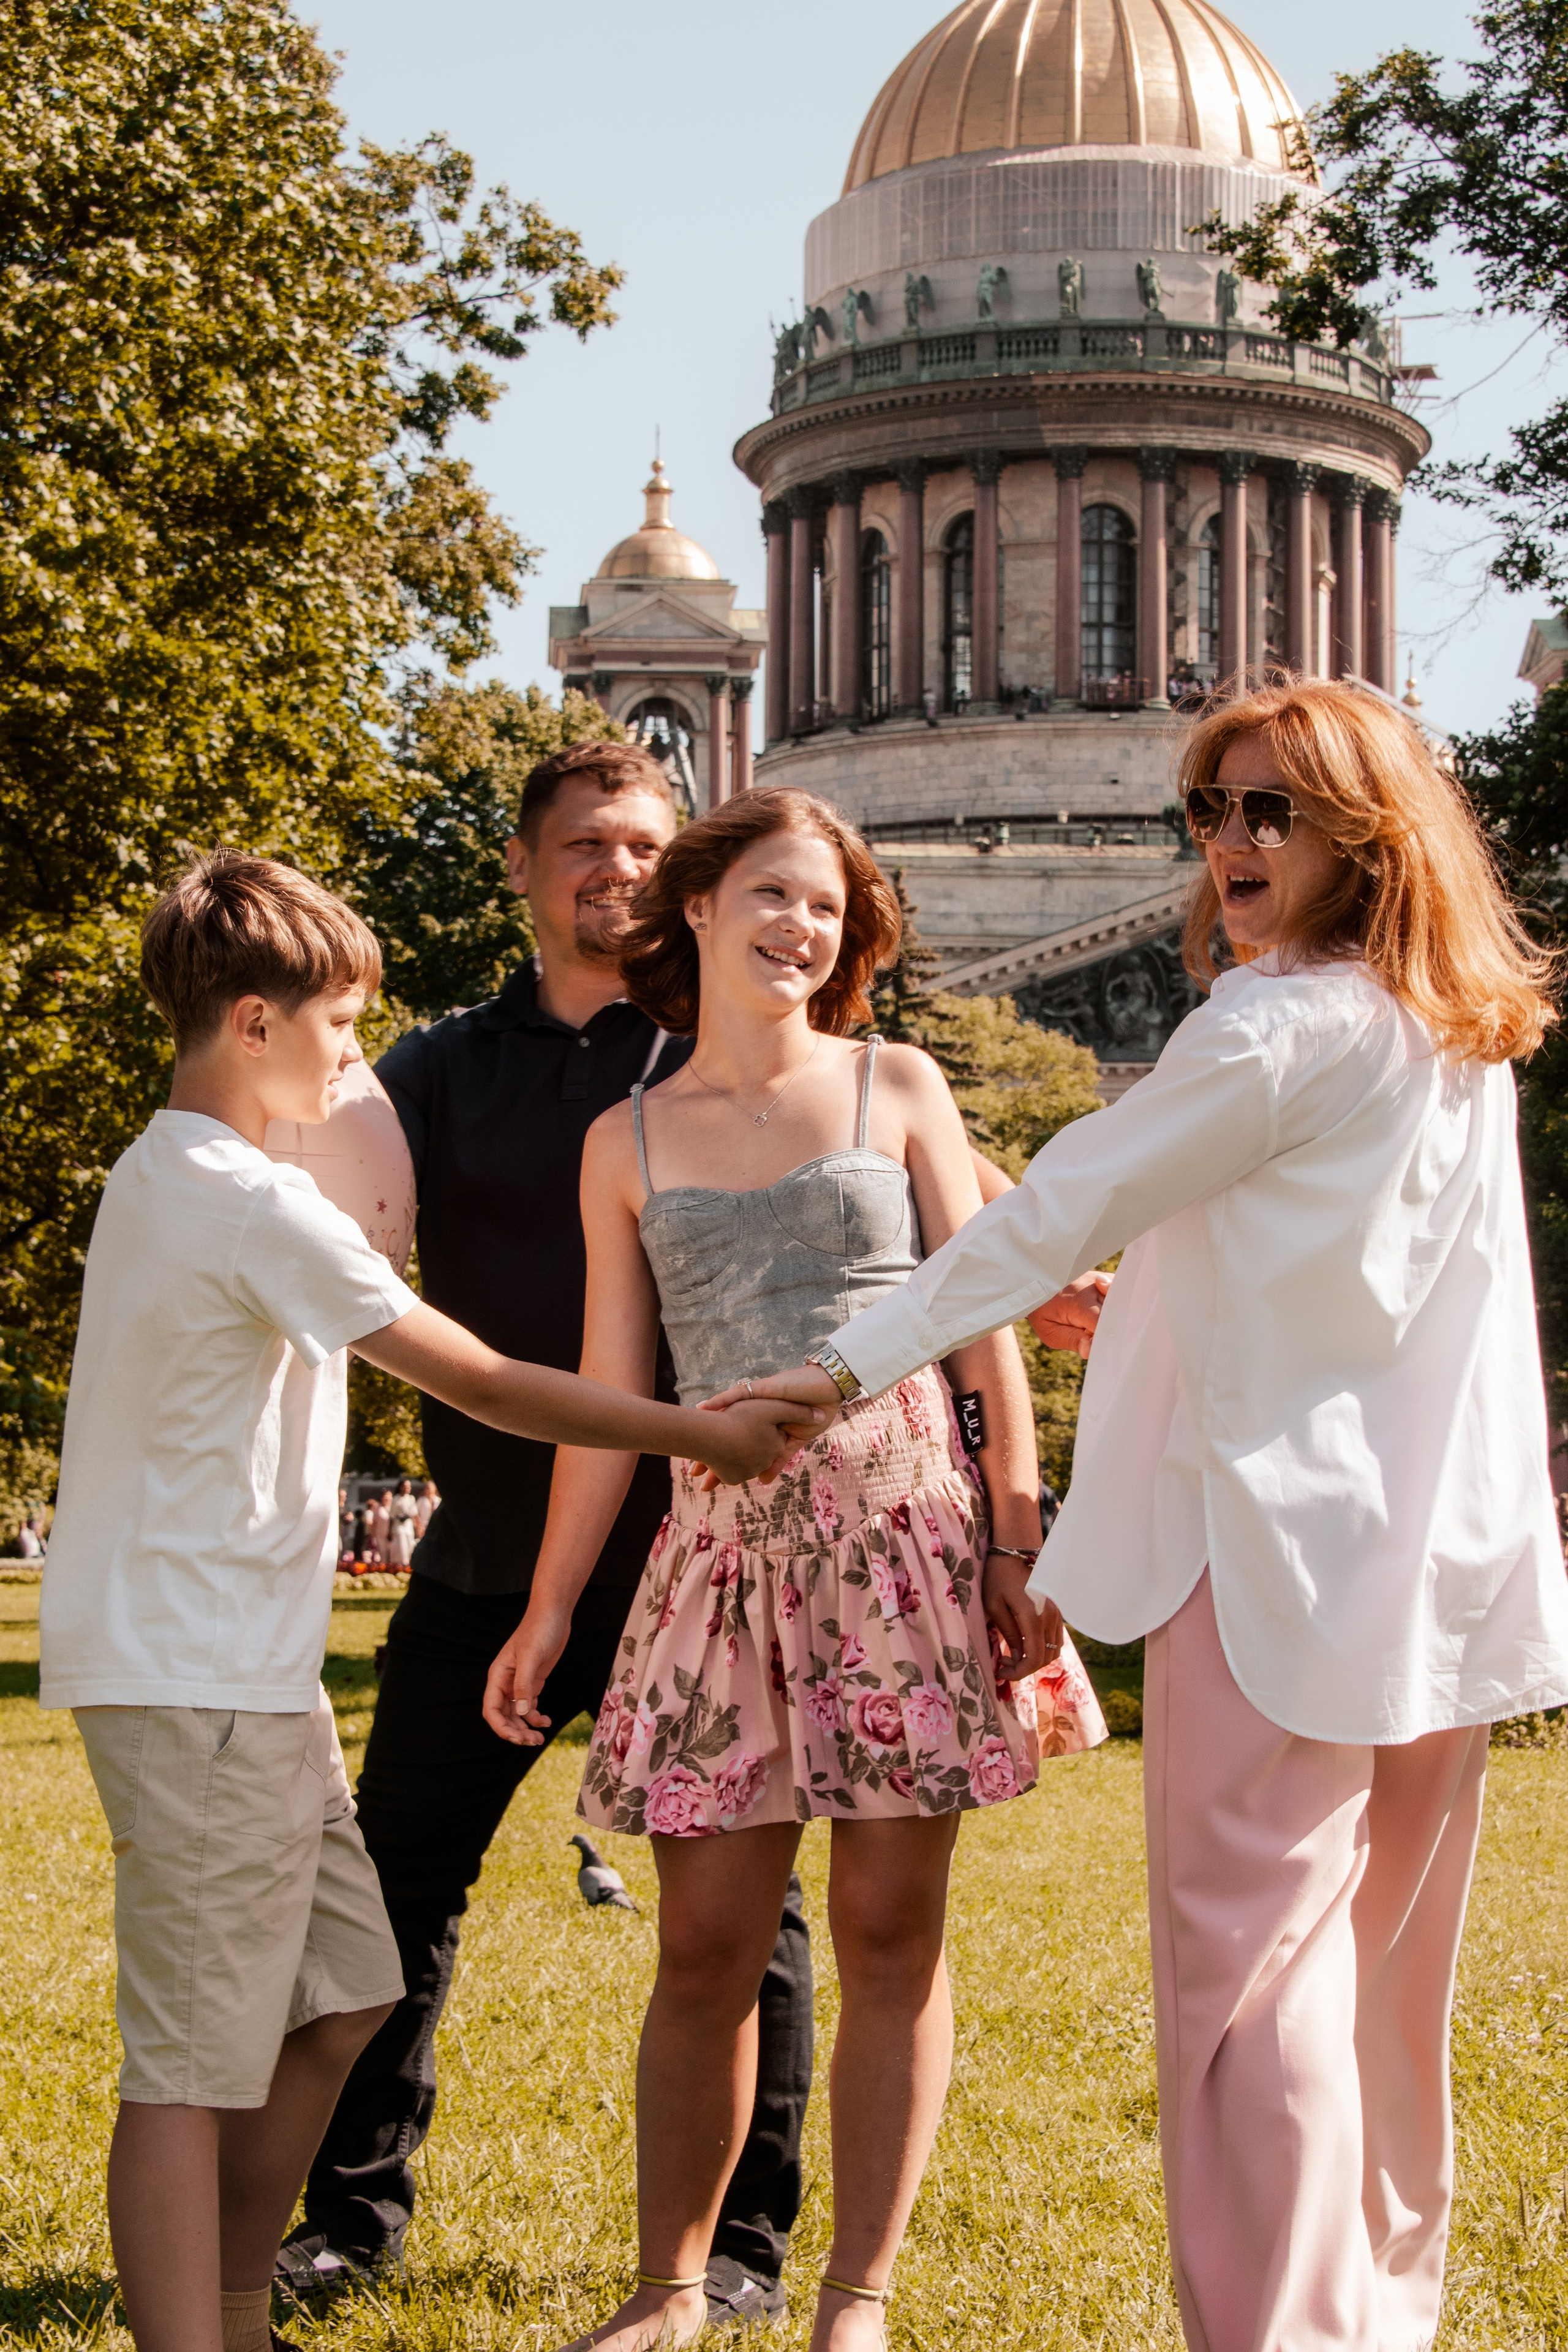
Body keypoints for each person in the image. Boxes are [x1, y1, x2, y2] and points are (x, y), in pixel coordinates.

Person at [729, 681, 1568, 2352]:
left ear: (1369, 830)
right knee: (1389, 1992)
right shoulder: (1449, 1028)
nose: (1233, 845)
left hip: (1266, 1576)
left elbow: (1041, 1214)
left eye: (1276, 811)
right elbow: (1389, 1300)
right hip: (1435, 1573)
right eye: (1213, 809)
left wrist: (827, 1377)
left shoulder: (1264, 1026)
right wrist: (1158, 1315)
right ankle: (1378, 2321)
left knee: (1248, 1999)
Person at [37, 851, 809, 2352]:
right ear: (253, 1021)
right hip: (190, 1671)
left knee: (343, 1991)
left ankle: (237, 2306)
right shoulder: (239, 1198)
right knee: (189, 2063)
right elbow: (480, 1378)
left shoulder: (188, 1174)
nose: (355, 1055)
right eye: (338, 1022)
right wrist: (701, 1428)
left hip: (244, 1674)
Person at [483, 788, 1105, 2352]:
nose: (797, 927)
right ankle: (667, 2286)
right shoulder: (619, 1139)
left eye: (823, 905)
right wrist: (555, 1601)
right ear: (695, 906)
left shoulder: (892, 1082)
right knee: (703, 1942)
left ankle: (856, 2295)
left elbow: (985, 1321)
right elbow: (609, 1396)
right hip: (721, 1560)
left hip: (904, 1536)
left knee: (893, 1930)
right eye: (768, 893)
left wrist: (1015, 1528)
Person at [285, 742, 821, 2332]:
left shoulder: (738, 1050)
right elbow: (323, 1230)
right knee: (392, 1891)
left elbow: (898, 1181)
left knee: (746, 1930)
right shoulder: (435, 1072)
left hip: (707, 1573)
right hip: (487, 1563)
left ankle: (737, 2253)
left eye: (649, 844)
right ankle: (351, 2221)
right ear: (521, 867)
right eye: (585, 842)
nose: (620, 869)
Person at [388, 1479, 418, 1569]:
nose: (408, 1489)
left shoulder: (411, 1499)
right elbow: (392, 1517)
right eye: (406, 1486)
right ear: (401, 1487)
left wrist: (418, 1527)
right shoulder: (396, 1499)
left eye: (409, 1487)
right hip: (399, 1526)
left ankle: (409, 1566)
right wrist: (390, 1531)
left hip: (408, 1526)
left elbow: (414, 1514)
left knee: (410, 1547)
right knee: (402, 1547)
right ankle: (403, 1566)